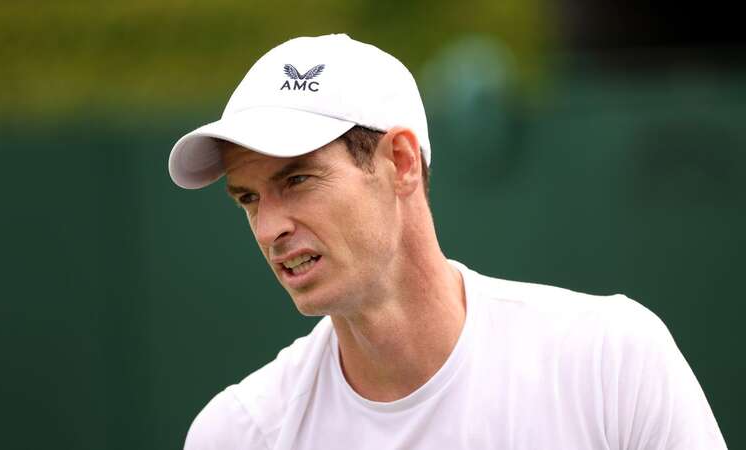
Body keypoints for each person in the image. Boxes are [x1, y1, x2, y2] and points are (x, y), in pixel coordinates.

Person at [168, 34, 727, 450]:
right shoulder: (238, 434)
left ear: (401, 162)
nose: (270, 228)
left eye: (297, 180)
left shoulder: (610, 361)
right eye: (249, 199)